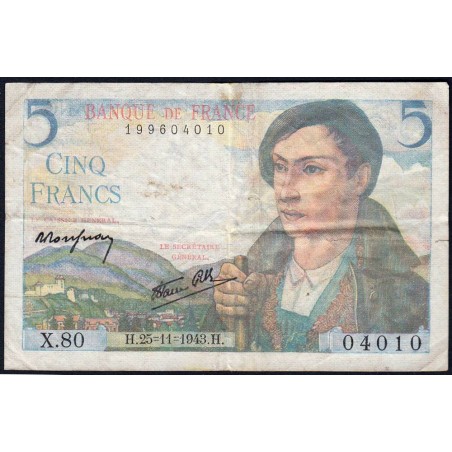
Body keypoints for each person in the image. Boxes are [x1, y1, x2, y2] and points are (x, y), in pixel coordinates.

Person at [208, 100, 428, 352]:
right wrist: (233, 323)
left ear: (359, 179)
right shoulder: (250, 278)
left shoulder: (407, 297)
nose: (286, 192)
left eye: (311, 169)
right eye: (280, 167)